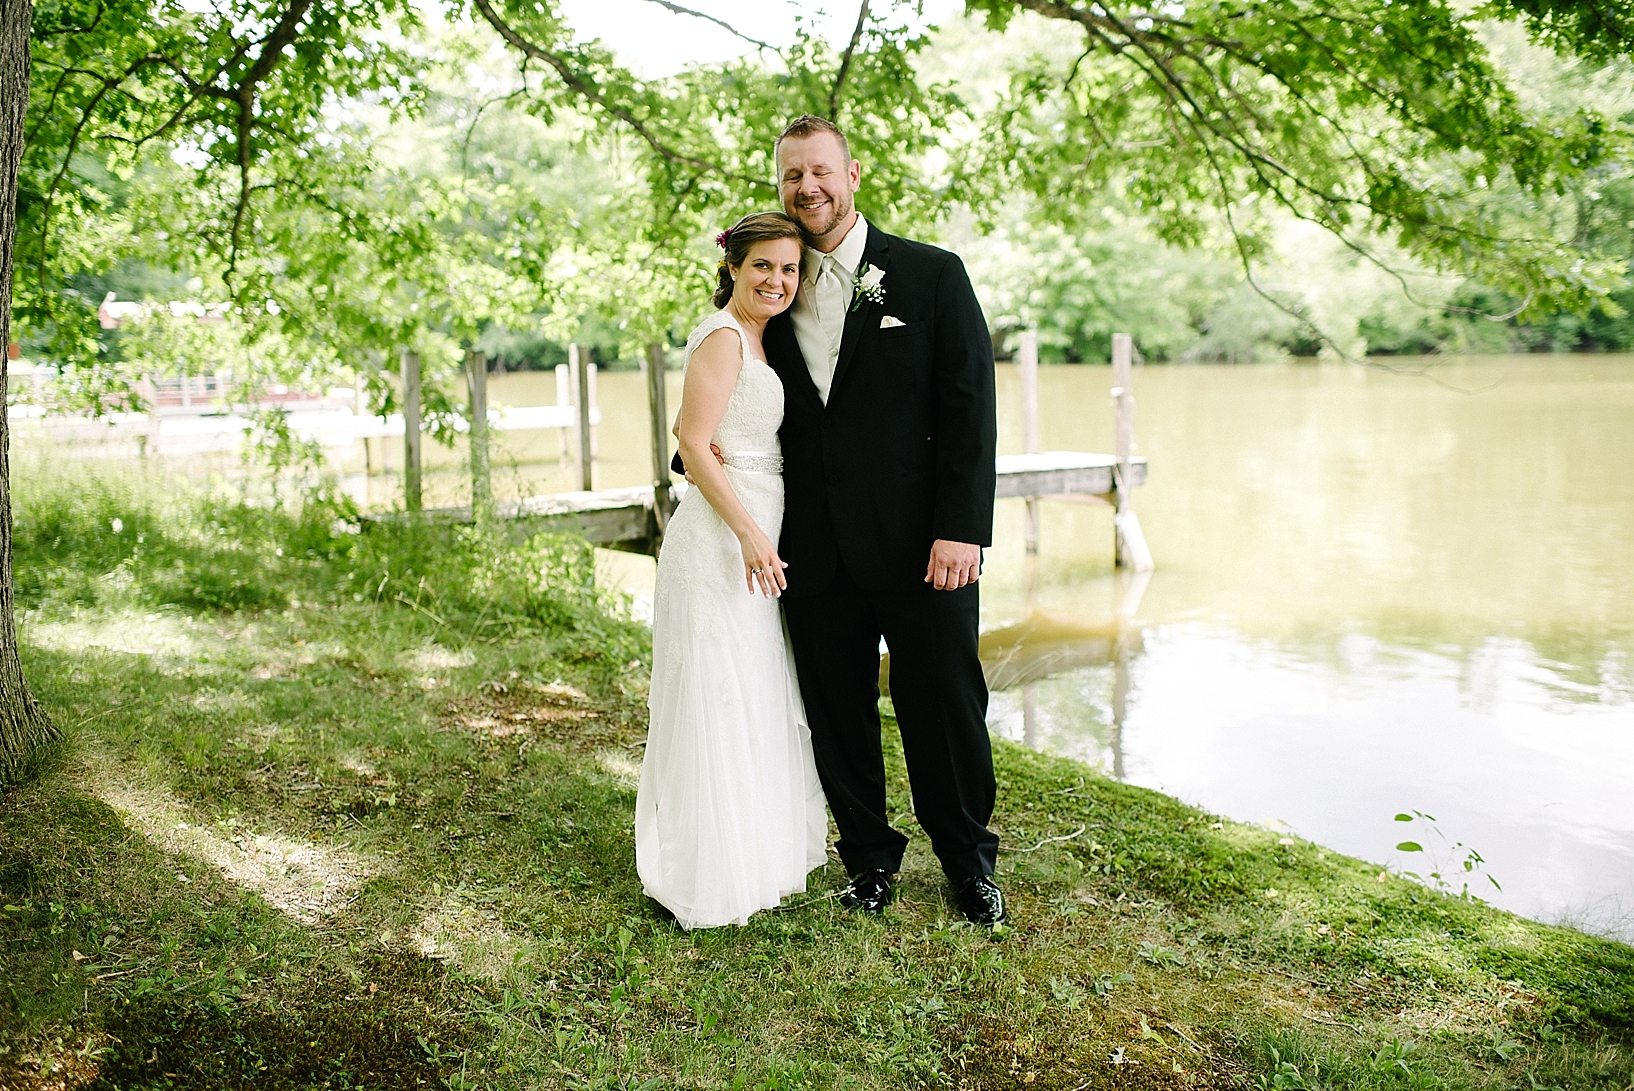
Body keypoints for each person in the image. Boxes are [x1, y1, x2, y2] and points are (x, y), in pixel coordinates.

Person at [769, 115, 1004, 925]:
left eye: (820, 171)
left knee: (944, 703)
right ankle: (868, 859)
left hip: (924, 546)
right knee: (837, 711)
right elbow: (734, 382)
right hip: (814, 547)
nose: (808, 188)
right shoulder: (771, 283)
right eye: (793, 175)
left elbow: (969, 407)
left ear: (853, 174)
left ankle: (969, 862)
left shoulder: (932, 275)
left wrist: (962, 527)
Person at [634, 212, 828, 930]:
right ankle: (708, 868)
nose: (777, 280)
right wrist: (748, 533)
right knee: (716, 690)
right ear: (733, 269)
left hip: (758, 530)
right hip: (722, 540)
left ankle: (754, 851)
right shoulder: (721, 335)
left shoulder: (765, 337)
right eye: (762, 267)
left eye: (789, 269)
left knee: (749, 684)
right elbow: (693, 443)